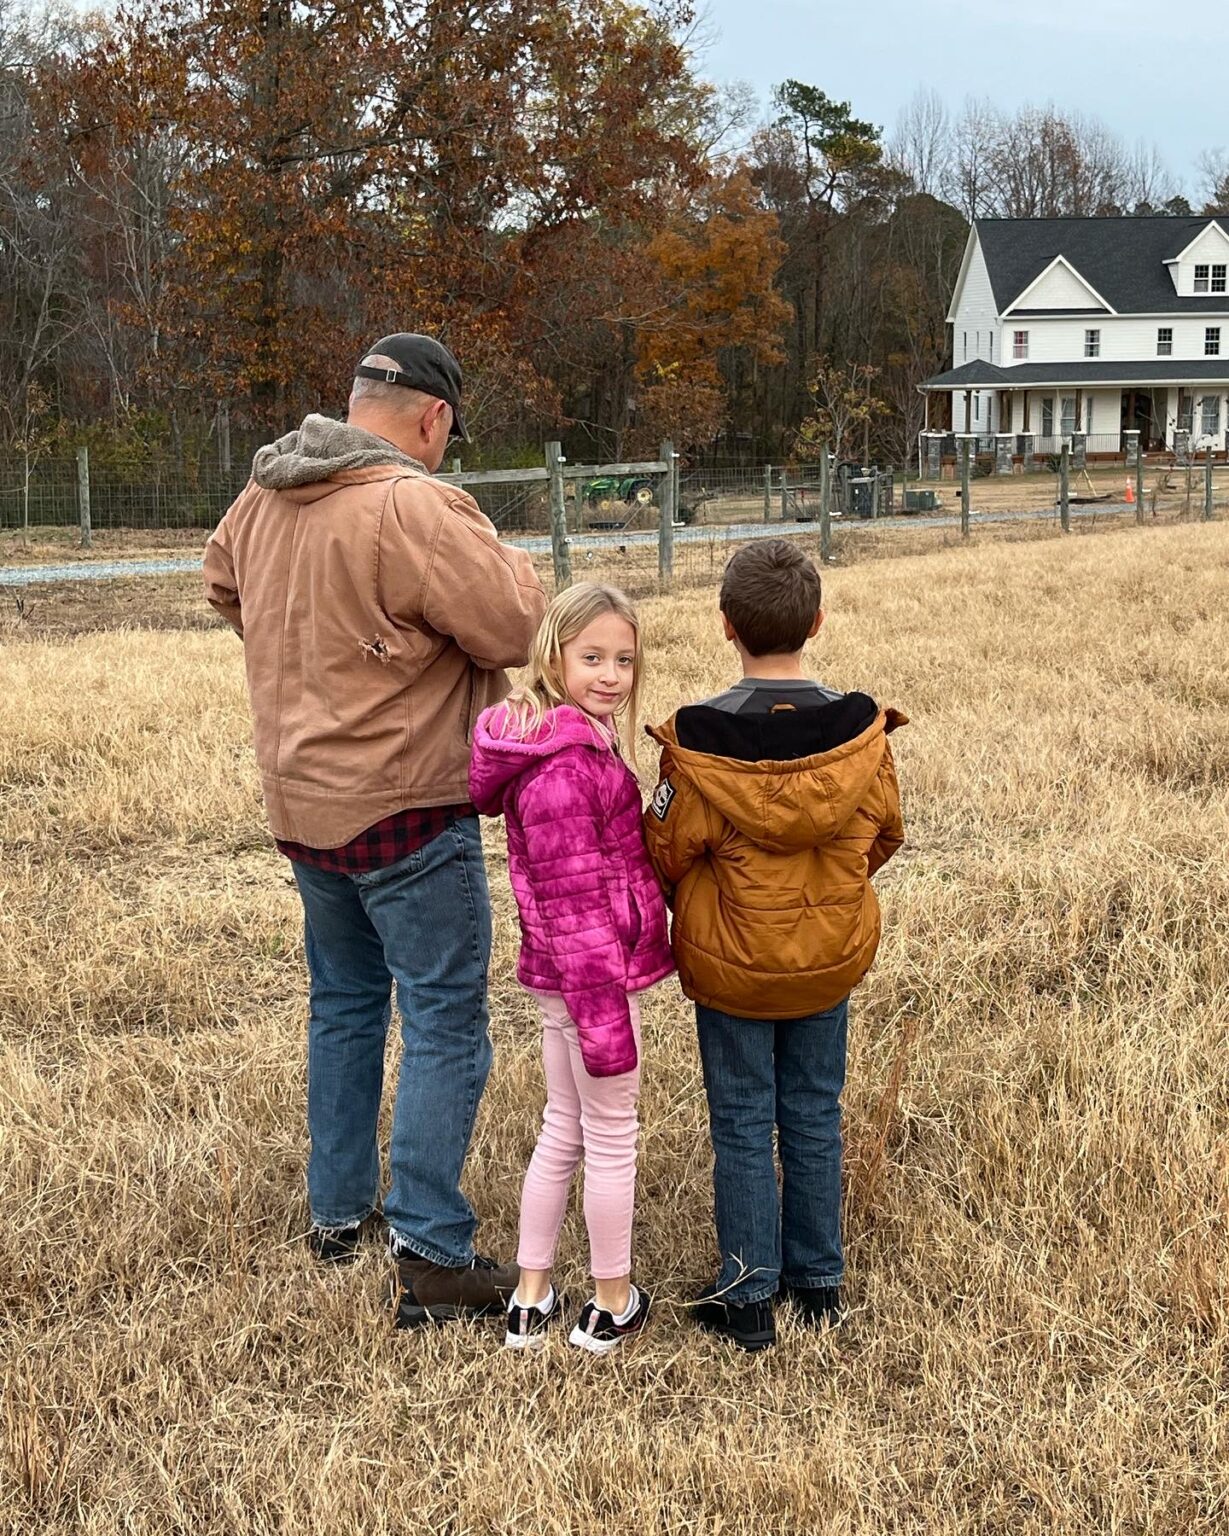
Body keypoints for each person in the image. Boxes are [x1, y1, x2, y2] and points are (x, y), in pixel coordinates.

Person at [202, 333, 546, 1327]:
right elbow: (515, 627)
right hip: (403, 806)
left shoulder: (265, 492)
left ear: (356, 402)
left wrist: (309, 650)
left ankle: (335, 1212)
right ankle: (431, 1250)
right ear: (432, 419)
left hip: (301, 805)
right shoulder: (413, 504)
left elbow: (223, 584)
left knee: (345, 1002)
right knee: (443, 1019)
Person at [643, 540, 906, 1353]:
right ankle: (818, 1284)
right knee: (813, 1114)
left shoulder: (696, 743)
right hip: (827, 961)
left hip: (730, 968)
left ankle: (748, 1294)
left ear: (725, 626)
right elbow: (885, 835)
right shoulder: (859, 738)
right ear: (817, 622)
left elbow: (664, 849)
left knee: (742, 1121)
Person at [468, 583, 673, 1353]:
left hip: (566, 977)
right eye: (592, 658)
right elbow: (578, 905)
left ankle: (530, 1293)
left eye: (624, 658)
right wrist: (605, 1023)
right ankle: (611, 1301)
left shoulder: (575, 739)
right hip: (592, 981)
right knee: (610, 1132)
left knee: (564, 1125)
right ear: (554, 656)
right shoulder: (563, 770)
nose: (612, 674)